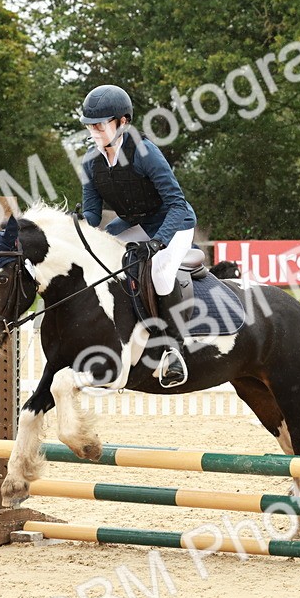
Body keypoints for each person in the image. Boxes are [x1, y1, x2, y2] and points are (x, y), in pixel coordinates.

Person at [78, 84, 197, 388]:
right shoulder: (90, 162)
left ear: (123, 122)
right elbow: (92, 214)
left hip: (175, 222)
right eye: (91, 125)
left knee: (160, 272)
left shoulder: (145, 153)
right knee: (100, 258)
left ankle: (173, 350)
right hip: (137, 223)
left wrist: (159, 241)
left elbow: (176, 203)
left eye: (101, 124)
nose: (95, 131)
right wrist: (77, 225)